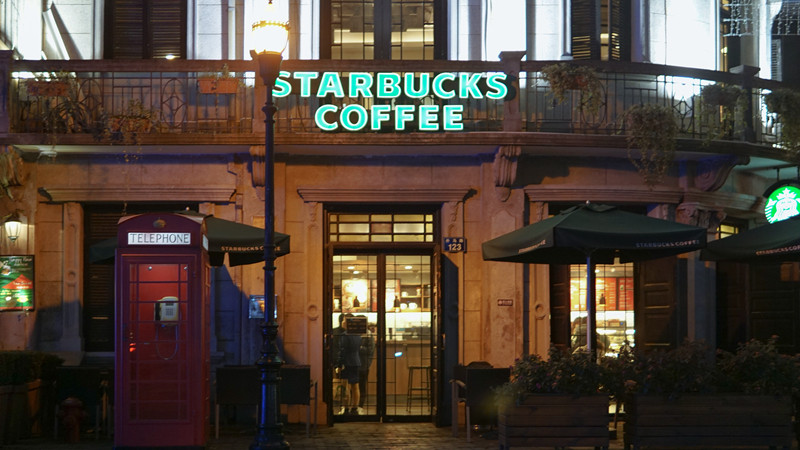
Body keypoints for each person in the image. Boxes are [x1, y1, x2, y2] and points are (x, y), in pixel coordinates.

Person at [337, 313, 362, 415]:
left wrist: (339, 364)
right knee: (355, 386)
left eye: (344, 320)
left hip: (346, 362)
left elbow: (342, 351)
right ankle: (355, 407)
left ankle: (346, 407)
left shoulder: (344, 335)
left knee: (345, 386)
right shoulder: (358, 335)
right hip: (356, 361)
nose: (342, 322)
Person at [357, 322, 375, 413]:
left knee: (362, 386)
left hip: (363, 364)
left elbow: (370, 350)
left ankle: (360, 406)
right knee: (353, 386)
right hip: (354, 363)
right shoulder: (353, 334)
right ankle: (352, 406)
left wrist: (358, 347)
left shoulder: (368, 335)